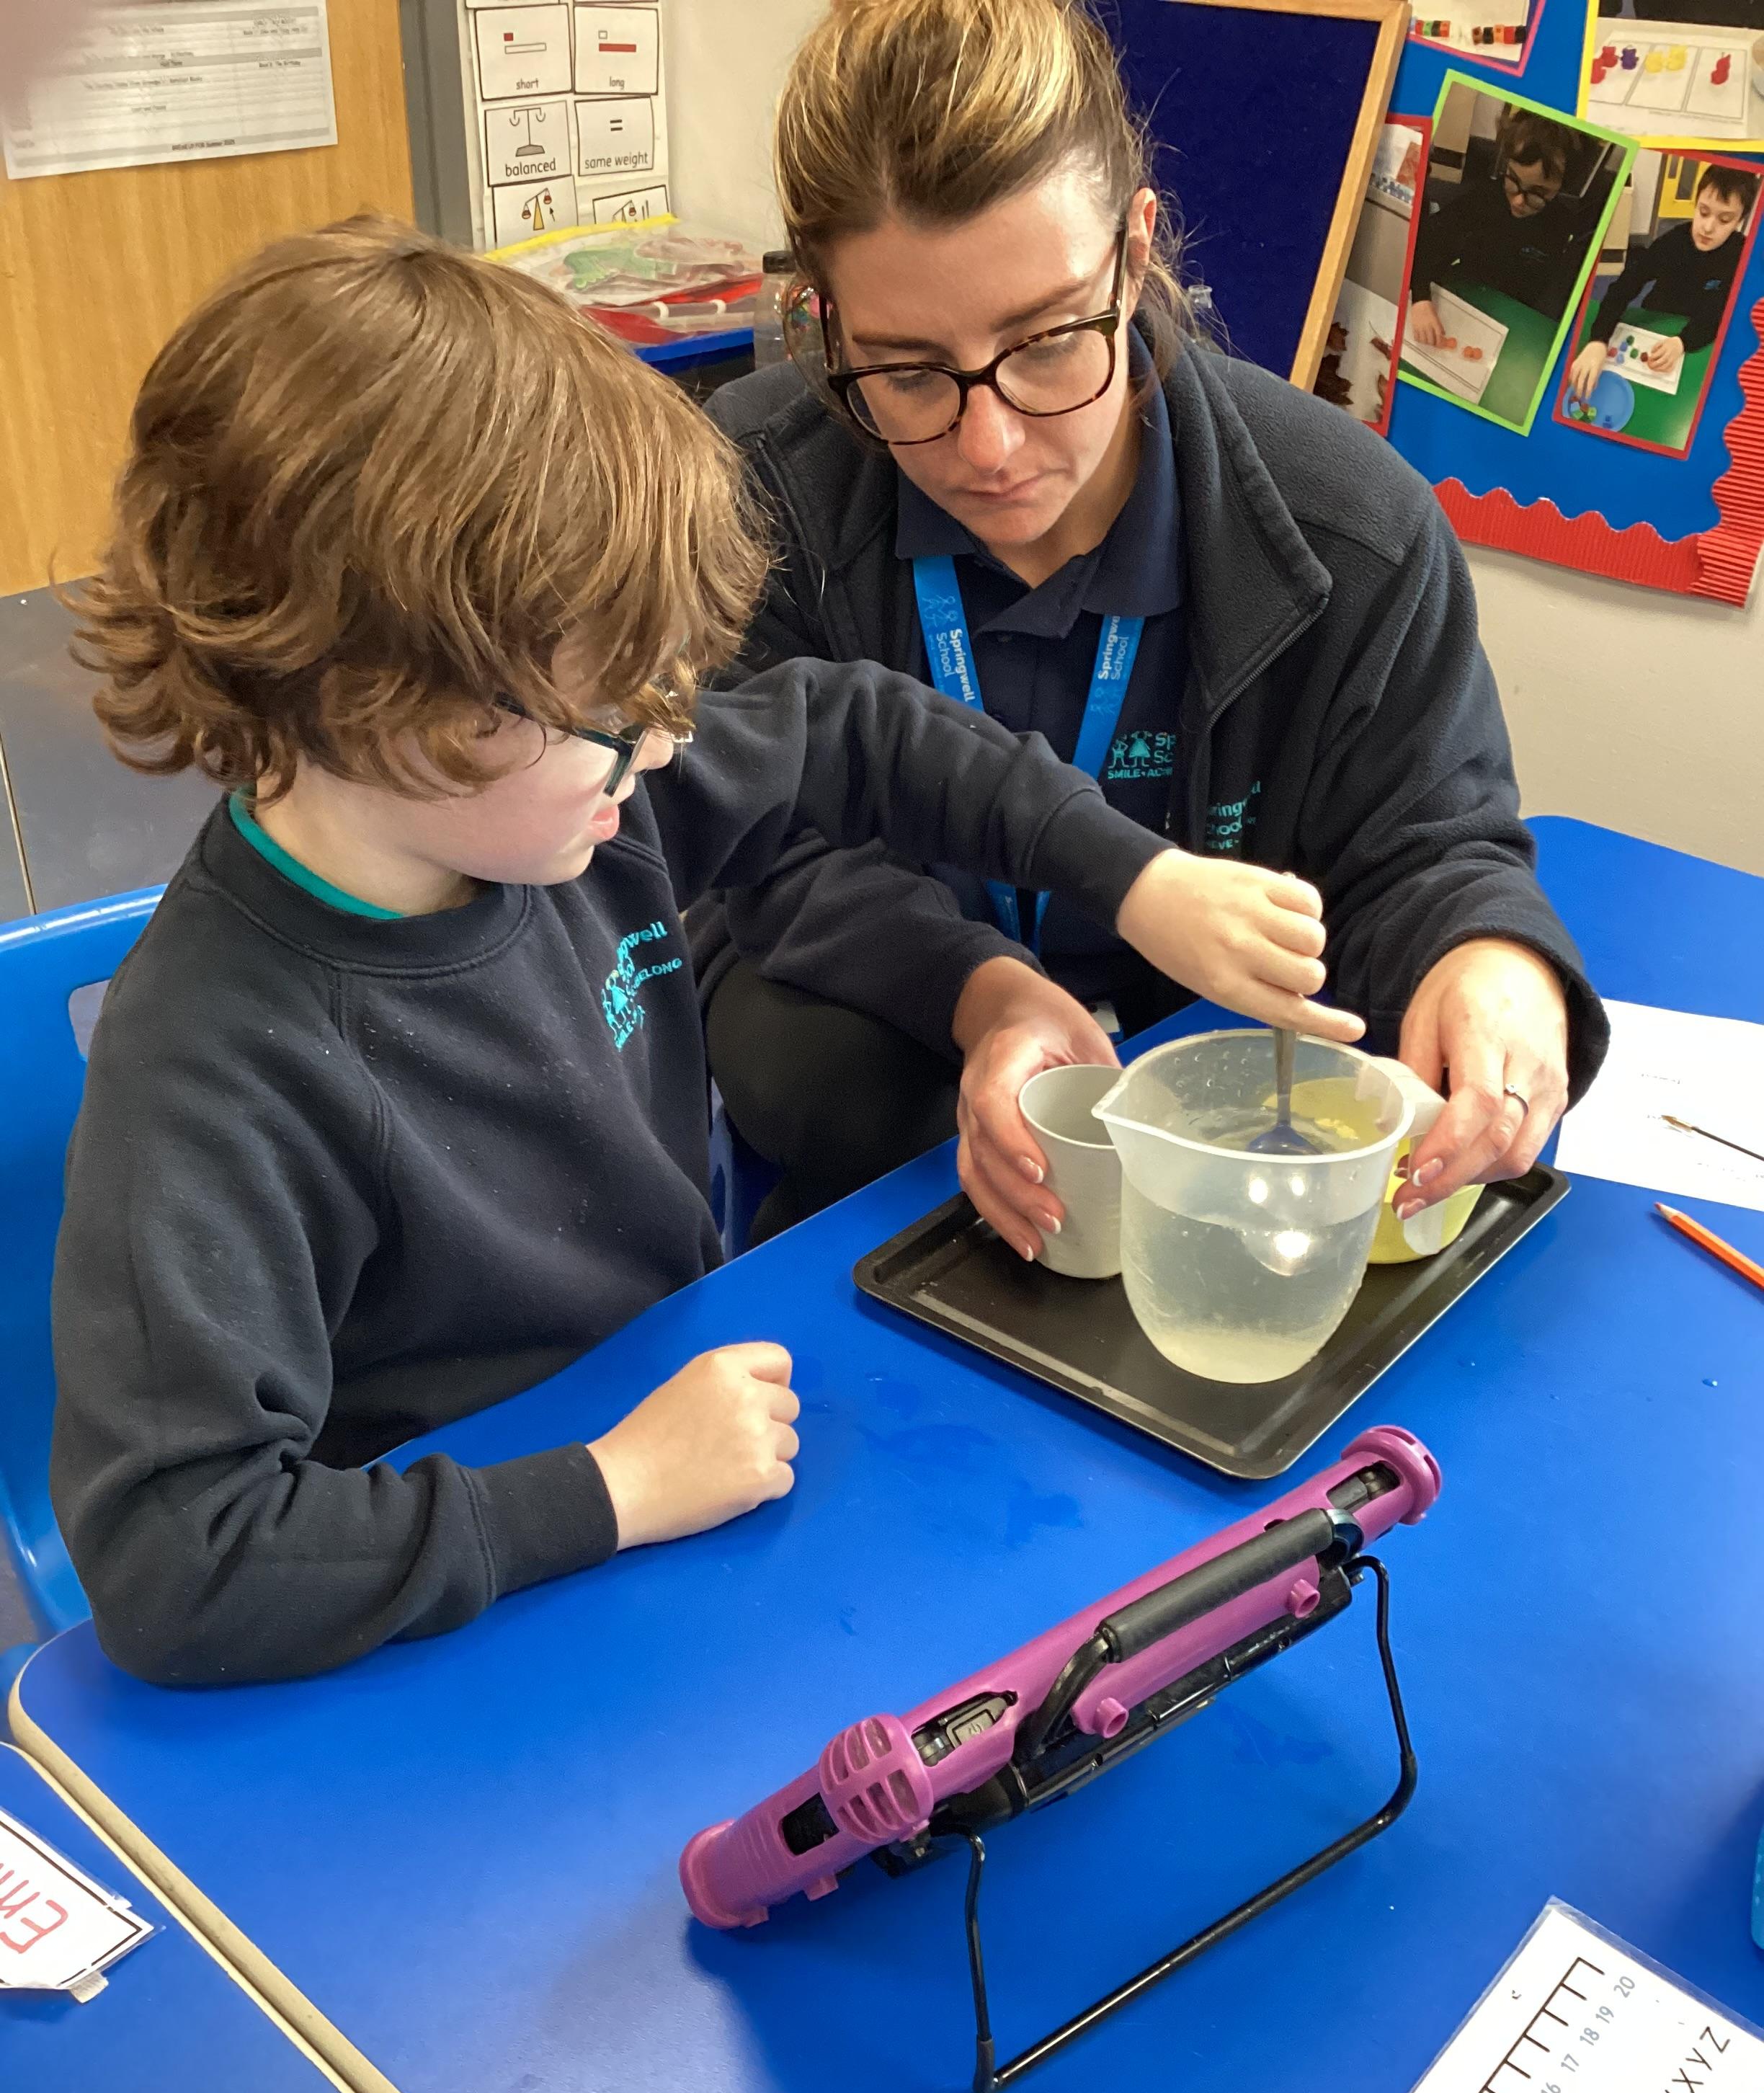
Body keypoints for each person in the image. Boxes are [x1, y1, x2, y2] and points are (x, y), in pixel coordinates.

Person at [49, 217, 1277, 1687]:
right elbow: (177, 1560)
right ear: (387, 703)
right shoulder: (217, 1068)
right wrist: (610, 1489)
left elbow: (858, 726)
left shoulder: (564, 808)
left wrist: (1130, 876)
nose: (668, 741)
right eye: (615, 711)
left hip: (686, 1441)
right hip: (469, 1610)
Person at [696, 0, 1606, 1257]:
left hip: (1232, 1140)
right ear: (823, 322)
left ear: (1133, 254)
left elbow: (1430, 844)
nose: (989, 445)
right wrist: (984, 993)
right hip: (889, 1098)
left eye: (1047, 342)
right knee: (828, 1067)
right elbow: (763, 850)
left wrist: (1491, 961)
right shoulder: (748, 498)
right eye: (906, 372)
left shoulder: (1357, 532)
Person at [1564, 163, 1755, 406]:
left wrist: (1684, 341)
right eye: (1703, 212)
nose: (1708, 228)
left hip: (1699, 333)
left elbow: (1724, 311)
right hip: (1657, 314)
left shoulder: (1742, 256)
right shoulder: (1673, 243)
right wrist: (1598, 339)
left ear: (1740, 220)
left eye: (1725, 219)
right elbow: (1623, 287)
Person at [1408, 113, 1588, 346]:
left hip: (1517, 317)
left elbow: (1557, 299)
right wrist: (1421, 298)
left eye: (1539, 193)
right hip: (1462, 298)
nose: (1518, 201)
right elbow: (1425, 241)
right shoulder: (1483, 200)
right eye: (1513, 179)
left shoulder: (1563, 226)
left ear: (1562, 187)